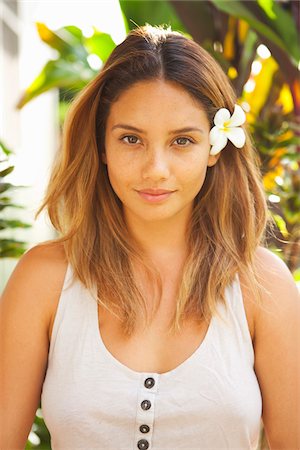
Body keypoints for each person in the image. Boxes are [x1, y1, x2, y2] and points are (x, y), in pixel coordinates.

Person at [1, 24, 299, 450]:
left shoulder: (263, 286)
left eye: (182, 141)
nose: (155, 168)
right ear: (101, 144)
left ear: (214, 147)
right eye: (131, 139)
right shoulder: (44, 280)